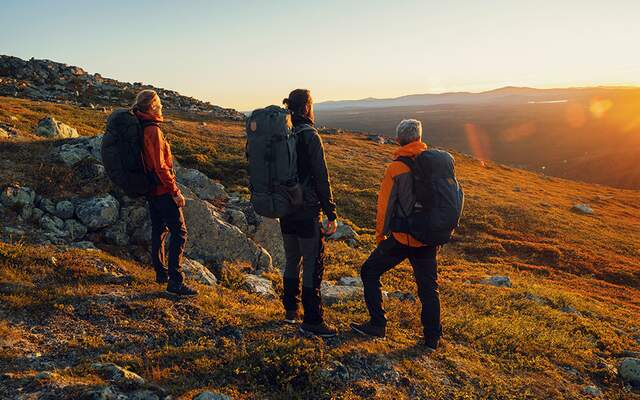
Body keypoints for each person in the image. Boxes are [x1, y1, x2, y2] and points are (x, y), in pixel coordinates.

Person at [351, 119, 441, 351]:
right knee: (428, 288)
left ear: (399, 139)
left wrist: (380, 235)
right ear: (419, 138)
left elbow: (385, 205)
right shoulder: (434, 164)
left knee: (369, 271)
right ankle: (432, 339)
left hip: (403, 238)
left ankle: (377, 324)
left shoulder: (396, 168)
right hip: (428, 237)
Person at [280, 89, 339, 337]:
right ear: (306, 108)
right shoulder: (309, 135)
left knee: (292, 259)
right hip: (306, 210)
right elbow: (321, 176)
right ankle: (313, 320)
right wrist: (330, 212)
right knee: (313, 262)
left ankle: (291, 311)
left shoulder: (282, 132)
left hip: (285, 208)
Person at [133, 90, 198, 297]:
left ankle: (161, 274)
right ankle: (175, 282)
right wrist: (175, 192)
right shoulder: (153, 130)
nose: (162, 107)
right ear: (152, 107)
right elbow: (160, 166)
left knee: (159, 231)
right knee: (180, 233)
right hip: (162, 190)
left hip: (151, 190)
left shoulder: (141, 125)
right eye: (159, 104)